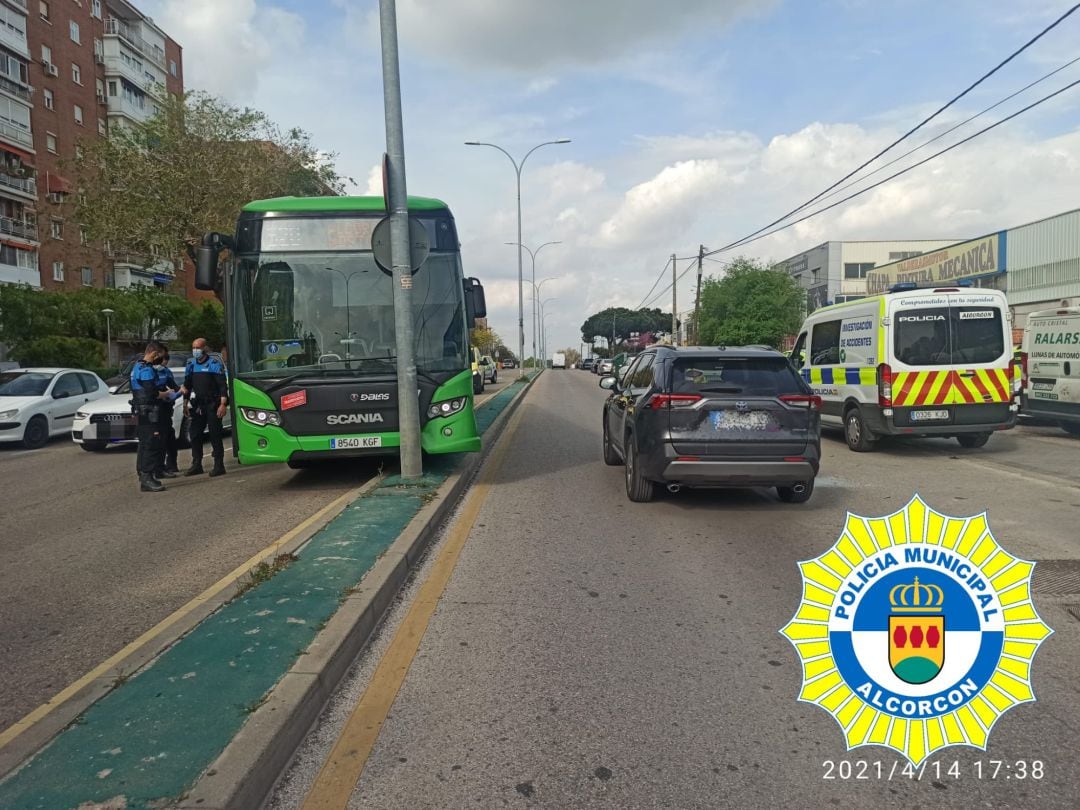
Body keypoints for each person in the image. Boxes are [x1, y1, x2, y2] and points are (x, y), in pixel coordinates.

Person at [182, 338, 229, 477]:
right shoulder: (191, 364)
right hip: (199, 404)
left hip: (213, 404)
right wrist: (185, 403)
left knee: (215, 434)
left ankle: (219, 465)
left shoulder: (214, 364)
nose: (195, 350)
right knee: (195, 433)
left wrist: (222, 404)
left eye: (198, 348)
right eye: (193, 347)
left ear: (204, 348)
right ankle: (196, 464)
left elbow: (222, 386)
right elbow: (187, 385)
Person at [131, 341, 173, 493]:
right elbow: (152, 392)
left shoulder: (136, 366)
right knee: (151, 443)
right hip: (149, 411)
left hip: (140, 411)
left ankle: (143, 474)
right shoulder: (147, 370)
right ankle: (147, 477)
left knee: (143, 443)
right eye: (160, 355)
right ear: (155, 353)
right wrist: (166, 394)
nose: (160, 359)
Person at [154, 347, 181, 479]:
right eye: (162, 360)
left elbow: (175, 388)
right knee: (160, 440)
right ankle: (158, 467)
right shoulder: (149, 371)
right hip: (156, 410)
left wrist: (178, 393)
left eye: (165, 360)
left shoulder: (166, 372)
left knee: (169, 438)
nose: (163, 363)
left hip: (166, 410)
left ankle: (171, 465)